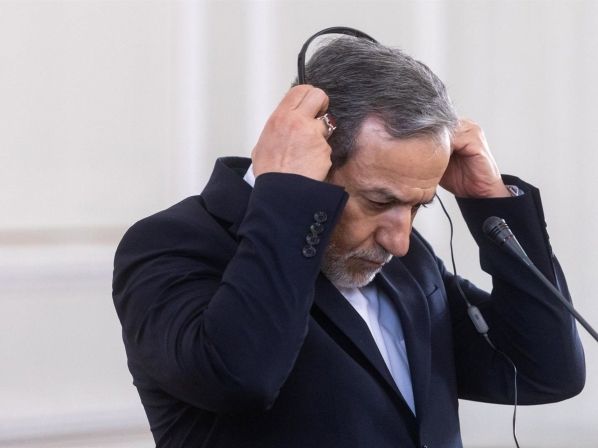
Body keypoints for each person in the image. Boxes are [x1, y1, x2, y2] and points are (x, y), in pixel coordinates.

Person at [112, 36, 585, 448]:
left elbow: (545, 370)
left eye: (417, 207)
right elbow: (241, 377)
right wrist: (289, 194)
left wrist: (490, 200)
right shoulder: (169, 244)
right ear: (312, 153)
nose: (400, 241)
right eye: (379, 201)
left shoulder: (409, 261)